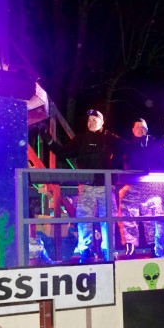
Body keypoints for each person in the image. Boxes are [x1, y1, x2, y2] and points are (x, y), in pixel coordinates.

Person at [41, 109, 124, 263]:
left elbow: (128, 150)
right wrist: (49, 140)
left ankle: (109, 250)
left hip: (106, 187)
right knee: (84, 219)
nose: (91, 122)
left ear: (102, 123)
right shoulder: (81, 139)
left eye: (94, 120)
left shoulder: (110, 139)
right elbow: (63, 153)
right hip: (86, 187)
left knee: (109, 220)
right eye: (89, 120)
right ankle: (85, 250)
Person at [118, 118, 163, 258]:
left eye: (143, 127)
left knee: (152, 217)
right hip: (132, 185)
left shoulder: (154, 145)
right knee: (128, 217)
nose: (140, 129)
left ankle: (155, 247)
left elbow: (162, 159)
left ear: (147, 130)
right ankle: (130, 247)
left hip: (150, 186)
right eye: (137, 127)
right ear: (133, 130)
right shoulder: (127, 146)